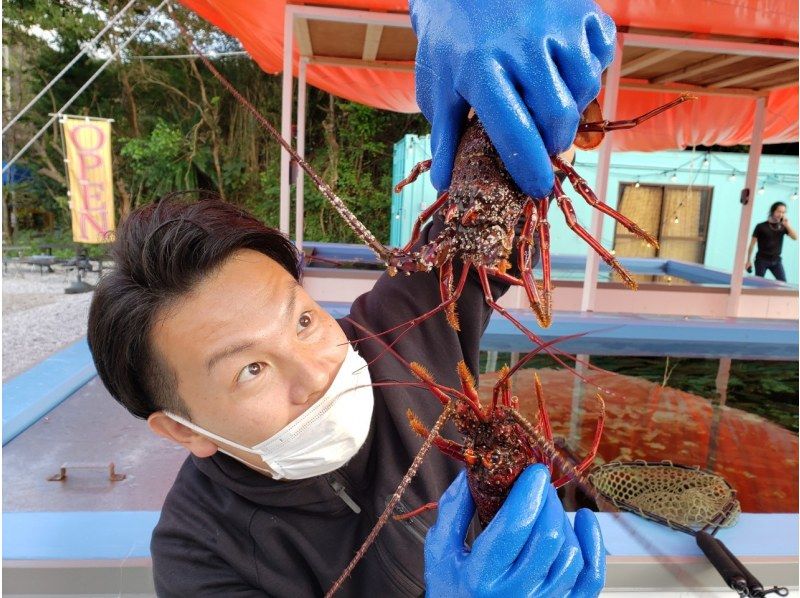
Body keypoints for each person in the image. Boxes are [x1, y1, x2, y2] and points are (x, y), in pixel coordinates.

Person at [87, 0, 616, 595]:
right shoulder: (200, 557)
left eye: (305, 321)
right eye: (252, 368)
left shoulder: (397, 335)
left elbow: (506, 187)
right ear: (184, 431)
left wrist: (530, 86)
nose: (316, 373)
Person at [745, 201, 797, 282]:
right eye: (779, 211)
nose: (781, 214)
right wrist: (748, 261)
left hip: (776, 261)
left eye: (783, 212)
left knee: (783, 283)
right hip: (761, 260)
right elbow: (752, 245)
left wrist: (787, 225)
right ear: (773, 211)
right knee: (758, 283)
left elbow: (795, 237)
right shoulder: (760, 226)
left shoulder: (783, 227)